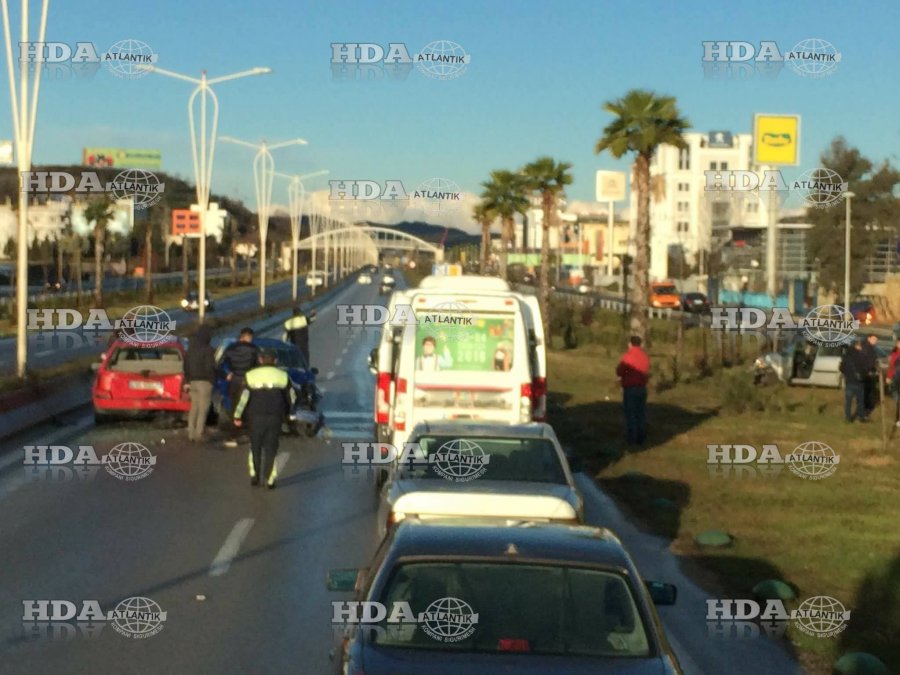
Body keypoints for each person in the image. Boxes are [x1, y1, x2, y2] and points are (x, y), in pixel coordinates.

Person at [233, 349, 296, 489]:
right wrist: (290, 414)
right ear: (275, 361)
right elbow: (292, 397)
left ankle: (255, 475)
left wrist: (237, 415)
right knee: (271, 448)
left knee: (255, 447)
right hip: (275, 417)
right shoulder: (283, 376)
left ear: (260, 360)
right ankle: (269, 480)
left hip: (255, 418)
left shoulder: (250, 376)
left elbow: (243, 398)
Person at [221, 327, 261, 446]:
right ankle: (248, 433)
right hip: (248, 381)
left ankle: (232, 435)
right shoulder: (254, 349)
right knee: (247, 407)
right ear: (247, 337)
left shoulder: (231, 348)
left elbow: (221, 363)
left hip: (234, 381)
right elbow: (259, 365)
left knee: (234, 407)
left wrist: (227, 373)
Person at [183, 325, 216, 443]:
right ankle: (199, 433)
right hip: (205, 382)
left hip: (192, 382)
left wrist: (187, 381)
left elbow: (185, 366)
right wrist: (212, 380)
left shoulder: (191, 349)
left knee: (194, 408)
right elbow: (210, 367)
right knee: (203, 409)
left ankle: (191, 433)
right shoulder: (208, 350)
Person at [616, 336, 650, 446]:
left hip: (630, 388)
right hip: (642, 388)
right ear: (640, 344)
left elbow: (619, 371)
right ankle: (641, 436)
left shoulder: (628, 357)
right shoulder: (644, 357)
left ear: (630, 344)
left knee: (631, 414)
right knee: (640, 413)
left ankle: (632, 438)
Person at [840, 339, 869, 423]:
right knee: (860, 401)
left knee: (848, 402)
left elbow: (841, 368)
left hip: (849, 381)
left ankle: (848, 418)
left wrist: (847, 374)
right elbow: (865, 368)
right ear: (857, 346)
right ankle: (861, 417)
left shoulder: (846, 356)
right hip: (859, 382)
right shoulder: (861, 355)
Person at [860, 333, 880, 414]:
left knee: (868, 391)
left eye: (876, 340)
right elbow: (864, 361)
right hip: (865, 373)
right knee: (865, 392)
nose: (875, 341)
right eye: (874, 339)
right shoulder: (865, 347)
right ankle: (864, 410)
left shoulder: (870, 347)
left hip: (869, 372)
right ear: (869, 338)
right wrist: (868, 371)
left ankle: (866, 408)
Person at [888, 338, 900, 428]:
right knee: (896, 397)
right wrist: (889, 376)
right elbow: (891, 366)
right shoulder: (894, 353)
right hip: (897, 378)